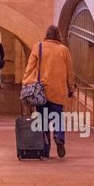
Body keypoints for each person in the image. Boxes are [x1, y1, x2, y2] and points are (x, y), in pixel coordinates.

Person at [22, 25, 76, 159]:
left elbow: (30, 67)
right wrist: (71, 88)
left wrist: (26, 83)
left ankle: (45, 150)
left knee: (42, 121)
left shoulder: (38, 47)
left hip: (41, 90)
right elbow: (70, 71)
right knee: (57, 116)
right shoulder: (64, 50)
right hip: (58, 90)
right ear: (58, 36)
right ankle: (59, 137)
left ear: (46, 35)